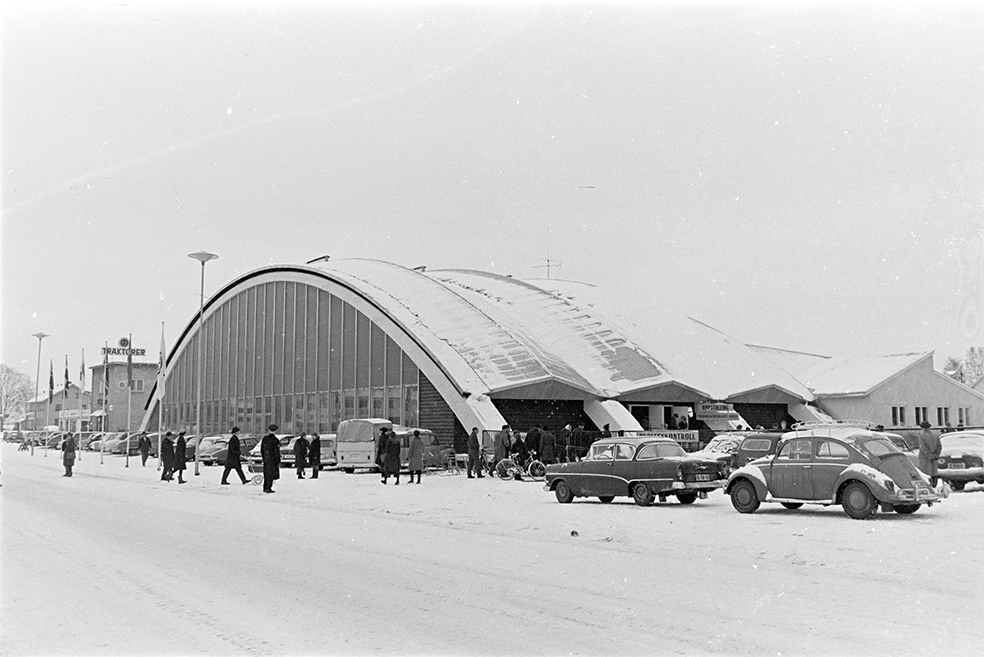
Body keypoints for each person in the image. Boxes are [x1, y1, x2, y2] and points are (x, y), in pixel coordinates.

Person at [917, 420, 942, 487]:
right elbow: (939, 446)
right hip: (934, 459)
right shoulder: (935, 435)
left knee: (925, 475)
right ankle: (934, 485)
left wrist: (930, 456)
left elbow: (923, 447)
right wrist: (936, 455)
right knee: (934, 473)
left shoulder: (921, 435)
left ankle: (928, 487)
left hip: (924, 459)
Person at [260, 424, 281, 493]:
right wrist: (278, 461)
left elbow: (262, 449)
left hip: (266, 458)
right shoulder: (275, 440)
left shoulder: (265, 439)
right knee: (271, 474)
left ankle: (265, 487)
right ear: (275, 431)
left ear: (269, 430)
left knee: (267, 473)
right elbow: (276, 452)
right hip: (273, 459)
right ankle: (268, 488)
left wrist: (264, 457)